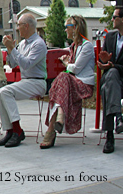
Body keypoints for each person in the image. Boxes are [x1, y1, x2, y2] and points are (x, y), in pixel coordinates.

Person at [40, 15, 95, 149]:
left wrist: (66, 62)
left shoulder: (86, 46)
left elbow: (75, 69)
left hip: (83, 85)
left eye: (67, 27)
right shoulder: (73, 47)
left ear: (75, 28)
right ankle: (58, 120)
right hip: (72, 84)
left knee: (62, 78)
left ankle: (52, 129)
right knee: (62, 80)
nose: (65, 30)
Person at [0, 13, 47, 148]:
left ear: (26, 26)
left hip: (37, 82)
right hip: (26, 81)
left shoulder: (39, 44)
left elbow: (26, 64)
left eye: (18, 25)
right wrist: (9, 49)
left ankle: (17, 130)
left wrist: (13, 48)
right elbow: (13, 64)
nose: (17, 28)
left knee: (6, 92)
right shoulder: (23, 44)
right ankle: (10, 130)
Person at [98, 7, 123, 154]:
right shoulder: (110, 37)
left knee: (108, 86)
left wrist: (113, 65)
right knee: (110, 79)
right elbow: (106, 62)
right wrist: (104, 63)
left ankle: (109, 137)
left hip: (121, 79)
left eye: (114, 17)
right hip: (111, 79)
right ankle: (118, 117)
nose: (112, 20)